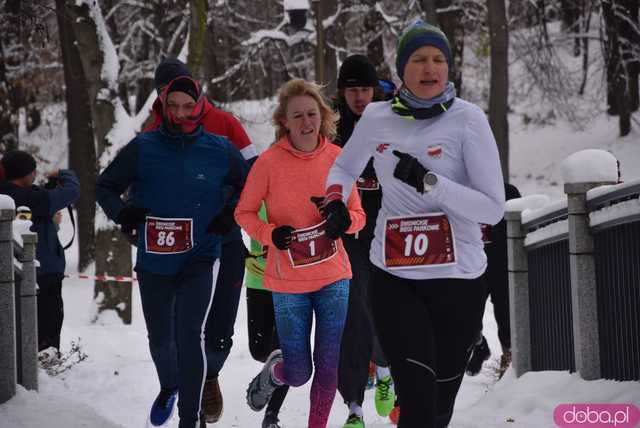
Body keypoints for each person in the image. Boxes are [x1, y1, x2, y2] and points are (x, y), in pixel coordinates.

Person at [324, 20, 505, 428]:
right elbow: (343, 167)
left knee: (439, 408)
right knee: (418, 403)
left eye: (439, 59)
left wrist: (431, 183)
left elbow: (492, 208)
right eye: (419, 59)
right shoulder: (376, 117)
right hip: (394, 278)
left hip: (458, 281)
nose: (430, 68)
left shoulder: (468, 120)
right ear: (402, 68)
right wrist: (335, 201)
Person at [96, 76, 249, 428]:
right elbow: (105, 186)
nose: (180, 114)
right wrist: (123, 213)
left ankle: (190, 419)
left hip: (200, 255)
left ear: (198, 107)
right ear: (163, 106)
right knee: (161, 339)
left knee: (189, 334)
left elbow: (248, 183)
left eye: (187, 107)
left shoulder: (219, 148)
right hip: (154, 259)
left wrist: (229, 214)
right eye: (173, 106)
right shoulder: (142, 147)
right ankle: (169, 386)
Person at [235, 78, 365, 428]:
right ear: (284, 122)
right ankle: (276, 372)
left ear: (322, 117)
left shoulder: (339, 159)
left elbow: (359, 216)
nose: (306, 123)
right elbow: (243, 212)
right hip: (288, 280)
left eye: (312, 114)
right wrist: (270, 234)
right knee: (298, 372)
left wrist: (341, 222)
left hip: (334, 277)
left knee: (327, 366)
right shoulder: (269, 163)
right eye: (297, 116)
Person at [145, 57, 259, 424]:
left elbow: (257, 174)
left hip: (223, 236)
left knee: (221, 322)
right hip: (176, 245)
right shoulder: (152, 131)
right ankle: (181, 393)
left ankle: (210, 377)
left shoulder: (225, 123)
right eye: (167, 93)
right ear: (161, 96)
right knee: (180, 326)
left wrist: (232, 207)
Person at [332, 54, 396, 428]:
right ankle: (354, 405)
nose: (359, 97)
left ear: (376, 89)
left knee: (383, 306)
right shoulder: (331, 126)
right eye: (352, 90)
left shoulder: (392, 120)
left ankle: (385, 370)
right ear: (342, 92)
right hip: (349, 231)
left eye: (365, 89)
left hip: (388, 227)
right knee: (354, 311)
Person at [0, 151, 80, 355]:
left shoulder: (9, 195)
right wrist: (65, 175)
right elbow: (72, 191)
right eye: (32, 171)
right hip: (43, 274)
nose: (35, 174)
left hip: (20, 272)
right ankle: (46, 371)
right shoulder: (27, 197)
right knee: (47, 330)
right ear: (23, 174)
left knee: (24, 327)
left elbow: (40, 204)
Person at [466, 182, 522, 378]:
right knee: (467, 313)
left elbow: (518, 224)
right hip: (471, 261)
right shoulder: (460, 190)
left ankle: (509, 358)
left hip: (500, 260)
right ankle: (479, 345)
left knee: (505, 312)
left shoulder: (507, 191)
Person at [244, 204, 290, 428]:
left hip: (292, 280)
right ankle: (269, 374)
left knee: (288, 351)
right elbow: (239, 213)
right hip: (258, 278)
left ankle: (272, 416)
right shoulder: (255, 185)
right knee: (260, 350)